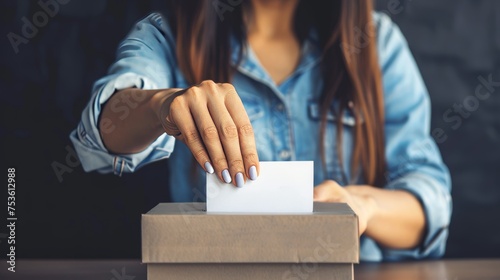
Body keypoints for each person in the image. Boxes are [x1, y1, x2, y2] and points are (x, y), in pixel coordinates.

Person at [70, 0, 452, 261]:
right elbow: (101, 136)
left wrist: (366, 207)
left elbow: (427, 198)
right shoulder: (170, 35)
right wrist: (161, 105)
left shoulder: (375, 43)